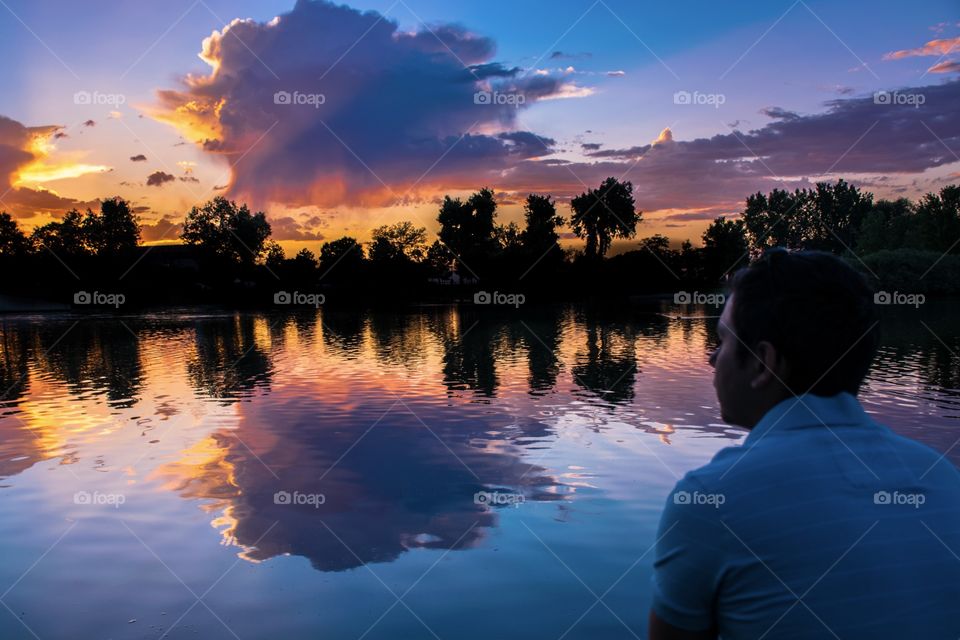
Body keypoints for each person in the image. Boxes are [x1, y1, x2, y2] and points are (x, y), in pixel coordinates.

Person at [649, 249, 960, 639]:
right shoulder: (944, 479)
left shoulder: (711, 501)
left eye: (723, 341)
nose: (712, 359)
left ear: (762, 363)